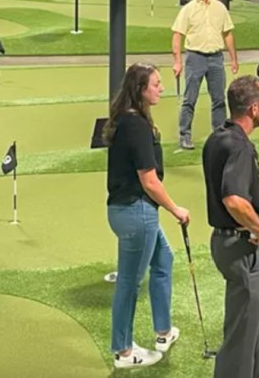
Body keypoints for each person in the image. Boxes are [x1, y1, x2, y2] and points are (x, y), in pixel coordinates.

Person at [103, 63, 190, 369]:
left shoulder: (129, 120)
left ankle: (163, 331)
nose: (161, 88)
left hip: (130, 211)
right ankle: (123, 351)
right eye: (155, 84)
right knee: (129, 282)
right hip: (136, 212)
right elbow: (149, 180)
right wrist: (176, 209)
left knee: (164, 259)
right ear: (140, 89)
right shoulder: (136, 125)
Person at [203, 75, 259, 378]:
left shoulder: (218, 137)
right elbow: (233, 199)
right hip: (241, 246)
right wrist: (258, 228)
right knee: (243, 332)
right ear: (252, 109)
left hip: (228, 244)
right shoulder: (240, 148)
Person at [171, 0, 238, 150]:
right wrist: (177, 61)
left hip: (216, 58)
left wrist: (233, 59)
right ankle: (184, 135)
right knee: (189, 99)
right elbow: (177, 35)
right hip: (195, 58)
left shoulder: (220, 8)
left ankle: (220, 134)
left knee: (218, 99)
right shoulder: (188, 9)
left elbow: (228, 34)